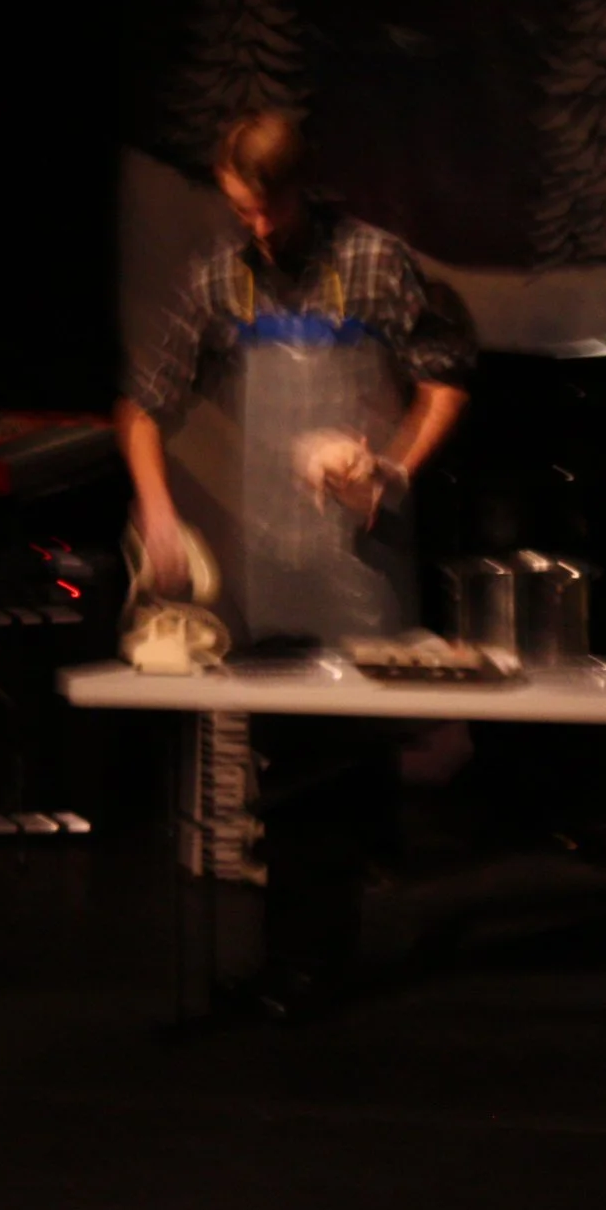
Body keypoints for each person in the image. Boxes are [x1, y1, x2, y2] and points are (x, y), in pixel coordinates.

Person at [118, 108, 476, 1016]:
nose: (258, 227)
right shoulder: (220, 277)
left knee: (348, 771)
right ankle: (300, 965)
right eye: (241, 209)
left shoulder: (374, 263)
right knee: (291, 772)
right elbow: (145, 405)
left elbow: (445, 377)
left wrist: (394, 467)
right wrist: (157, 512)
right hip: (273, 563)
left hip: (363, 554)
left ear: (302, 187)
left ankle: (318, 963)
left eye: (268, 208)